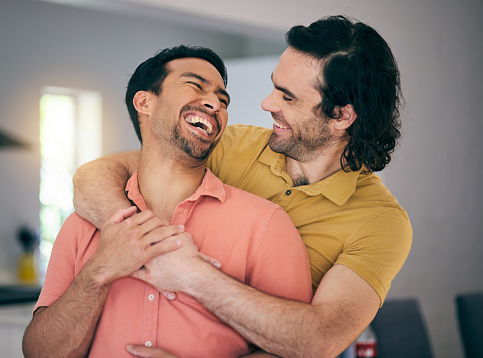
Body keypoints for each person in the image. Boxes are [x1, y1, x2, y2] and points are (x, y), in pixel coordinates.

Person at [72, 15, 412, 358]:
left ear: (341, 116)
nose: (267, 104)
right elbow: (92, 178)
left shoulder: (381, 222)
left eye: (287, 98)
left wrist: (192, 275)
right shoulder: (230, 144)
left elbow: (319, 340)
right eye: (274, 86)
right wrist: (143, 242)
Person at [22, 45, 313, 358]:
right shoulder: (82, 225)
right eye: (195, 85)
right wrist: (100, 271)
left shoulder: (266, 226)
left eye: (223, 99)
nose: (215, 103)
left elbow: (296, 350)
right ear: (145, 102)